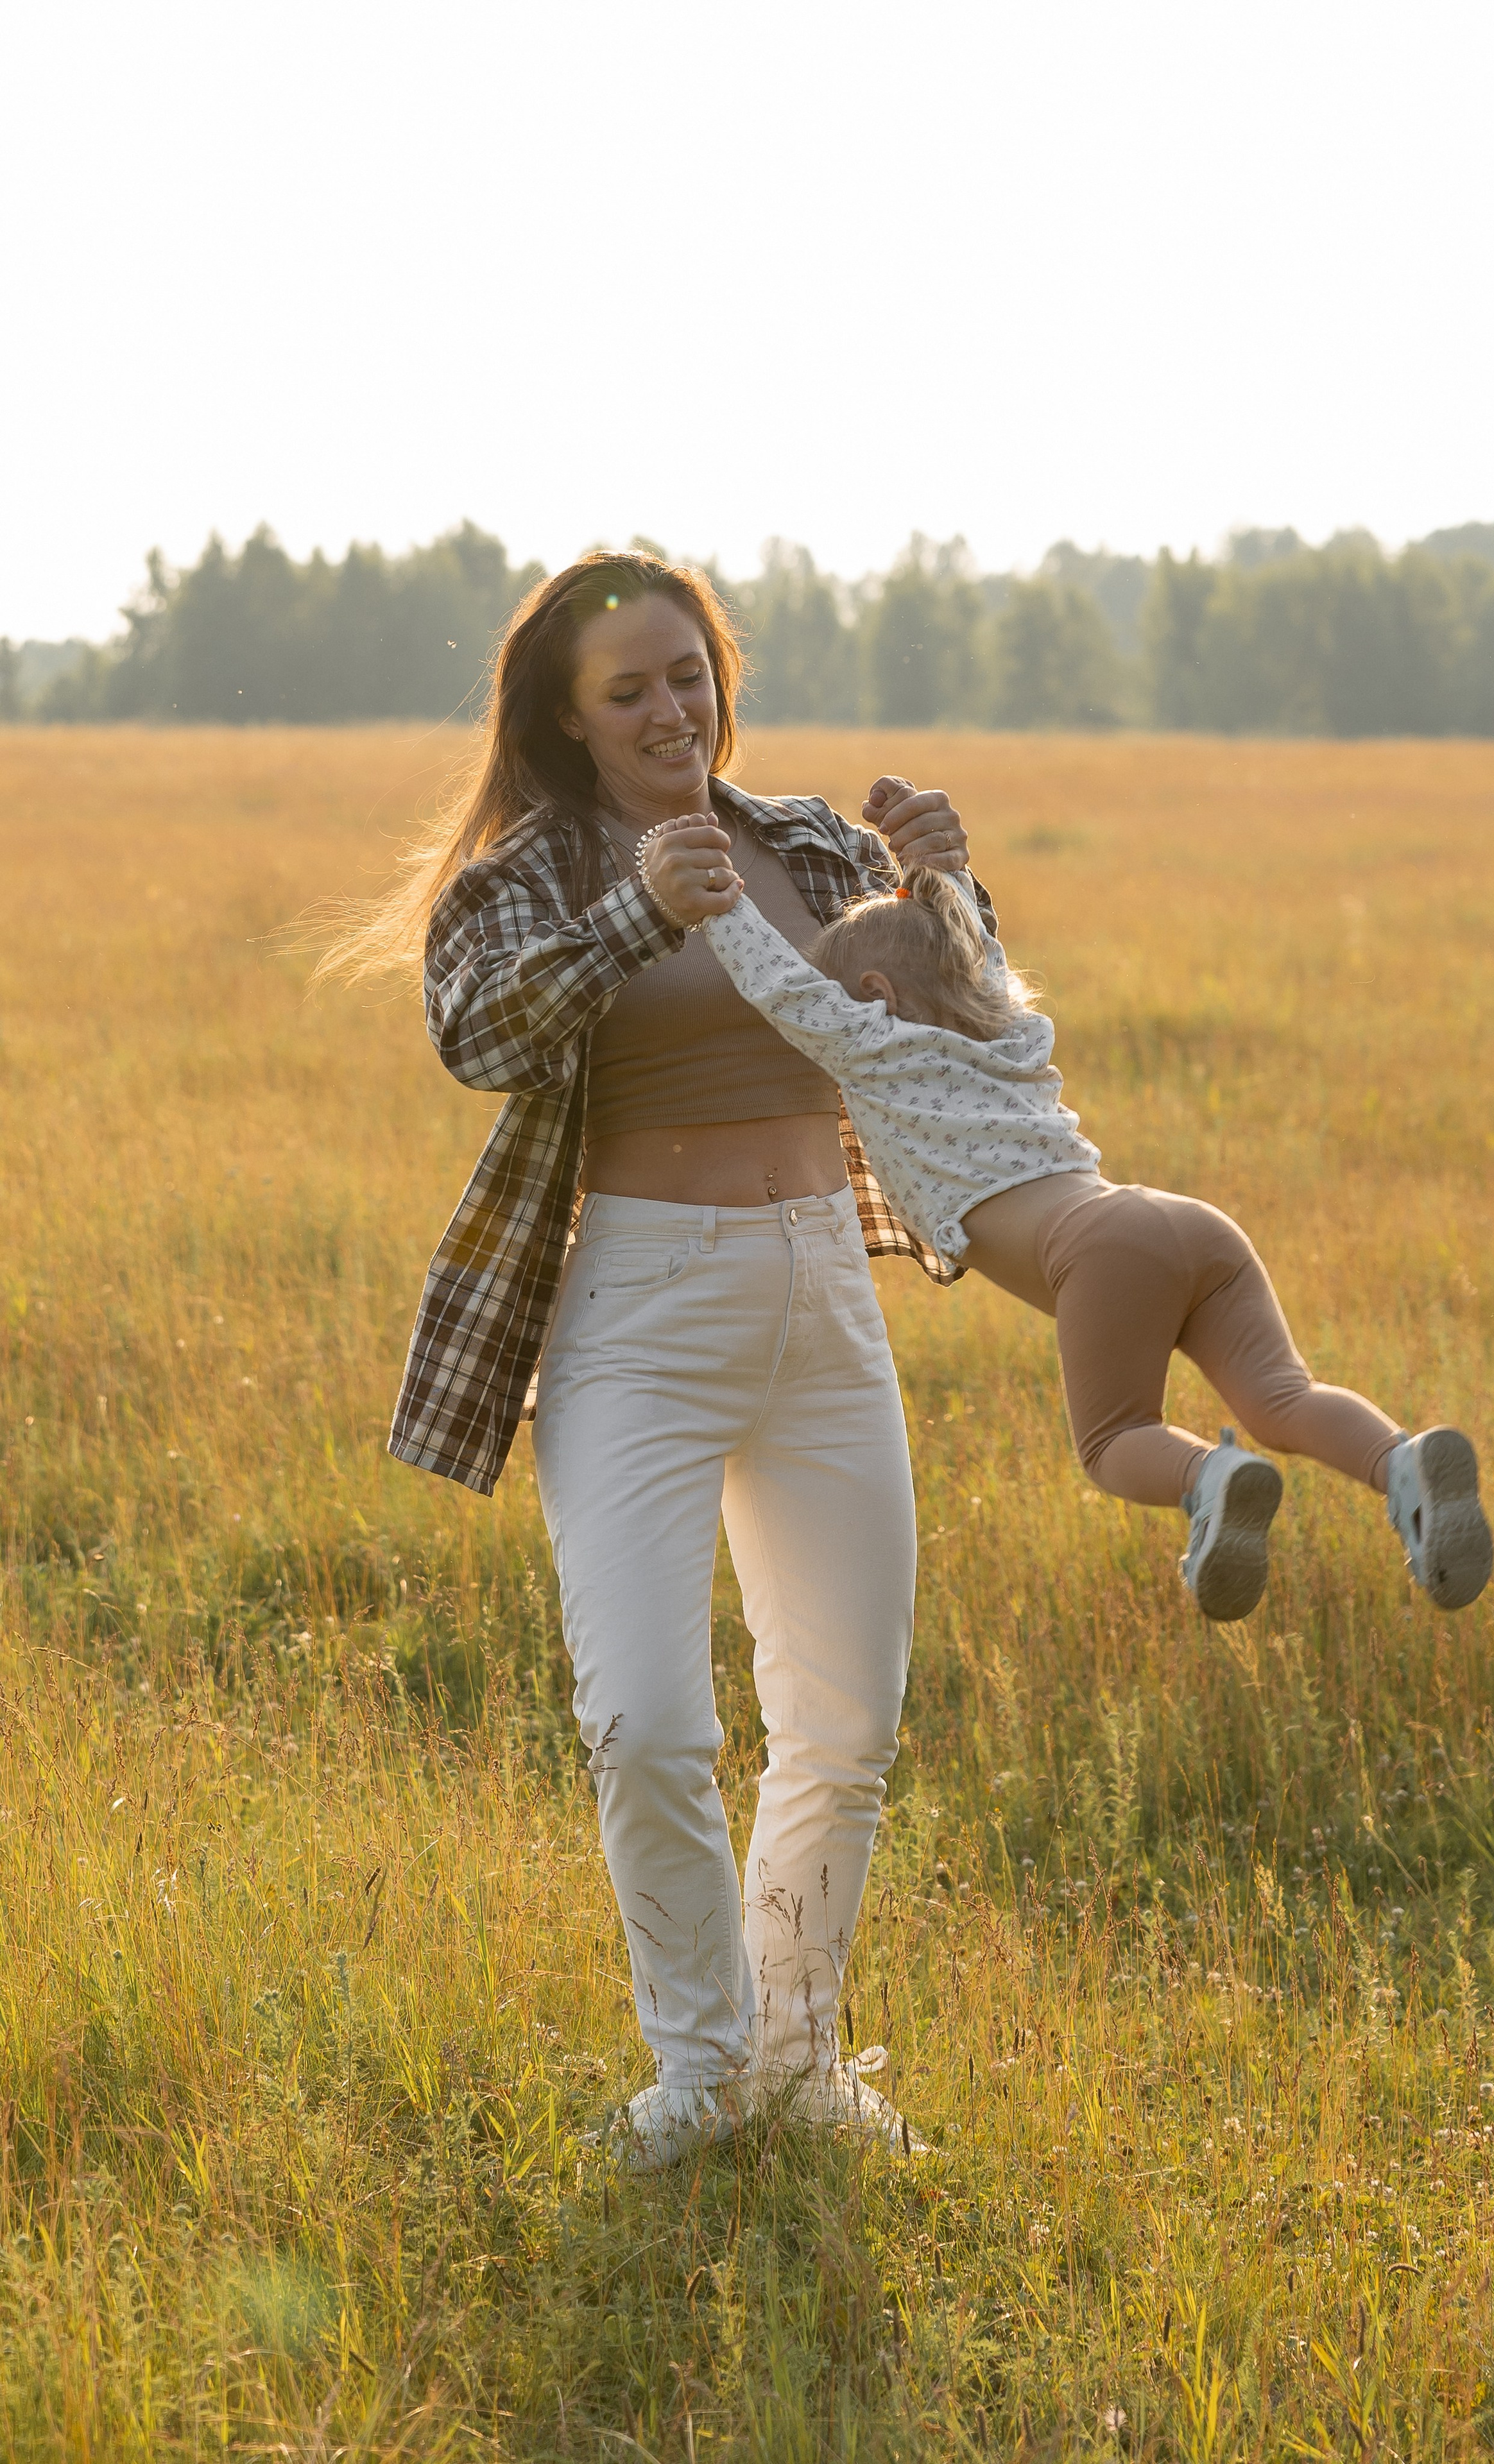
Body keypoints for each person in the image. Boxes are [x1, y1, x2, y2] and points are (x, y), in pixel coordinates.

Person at [318, 549, 983, 2169]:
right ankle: (694, 2075)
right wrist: (635, 911)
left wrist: (950, 887)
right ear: (569, 718)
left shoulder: (810, 846)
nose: (668, 708)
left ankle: (795, 2060)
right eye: (628, 690)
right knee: (646, 1723)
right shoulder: (529, 875)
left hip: (822, 1294)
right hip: (636, 1316)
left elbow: (957, 1023)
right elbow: (477, 1035)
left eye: (686, 674)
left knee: (844, 1723)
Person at [640, 831, 1494, 1624]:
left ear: (872, 997)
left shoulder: (876, 1043)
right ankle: (1402, 1465)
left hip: (1097, 1251)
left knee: (1114, 1439)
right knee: (1284, 1399)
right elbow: (977, 950)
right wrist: (936, 870)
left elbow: (780, 987)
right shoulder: (1012, 1032)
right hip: (1188, 1223)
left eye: (845, 1001)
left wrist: (712, 895)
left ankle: (1212, 1477)